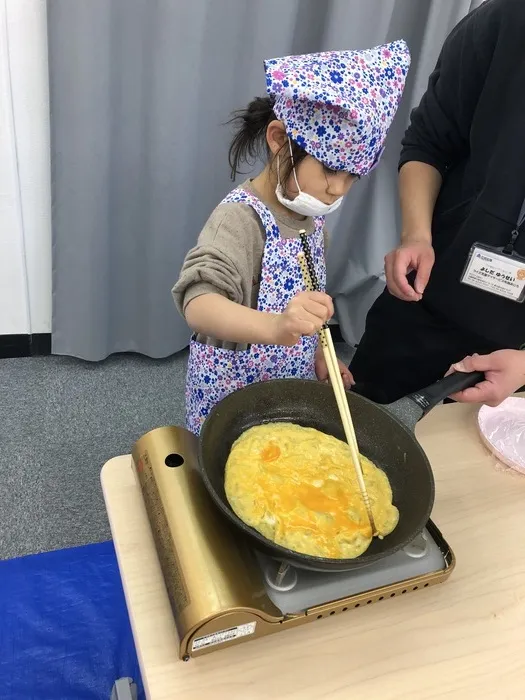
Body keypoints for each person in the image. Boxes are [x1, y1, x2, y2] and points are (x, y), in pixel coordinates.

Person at [173, 42, 410, 434]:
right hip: (232, 389)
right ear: (280, 139)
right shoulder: (239, 220)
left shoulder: (311, 218)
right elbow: (198, 304)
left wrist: (319, 350)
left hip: (288, 380)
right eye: (332, 169)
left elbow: (307, 303)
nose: (339, 190)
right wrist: (275, 328)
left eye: (353, 176)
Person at [350, 0, 525, 408]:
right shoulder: (504, 20)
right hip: (427, 295)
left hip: (515, 350)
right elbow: (429, 143)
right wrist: (415, 235)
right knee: (355, 426)